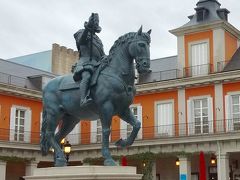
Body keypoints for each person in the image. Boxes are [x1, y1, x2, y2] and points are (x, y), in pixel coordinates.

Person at [73, 13, 105, 107]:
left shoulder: (98, 40)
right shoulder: (81, 32)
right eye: (94, 22)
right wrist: (87, 28)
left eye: (96, 23)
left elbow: (102, 54)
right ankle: (83, 99)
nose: (95, 24)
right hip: (85, 62)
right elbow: (81, 41)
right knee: (87, 76)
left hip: (98, 63)